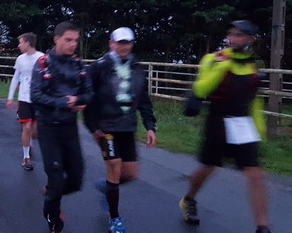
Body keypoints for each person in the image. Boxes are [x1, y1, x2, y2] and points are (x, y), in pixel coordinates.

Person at [179, 20, 272, 233]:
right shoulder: (213, 59)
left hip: (244, 123)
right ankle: (189, 199)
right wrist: (223, 64)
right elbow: (201, 88)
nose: (233, 38)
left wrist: (260, 130)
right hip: (218, 120)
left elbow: (254, 101)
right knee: (208, 168)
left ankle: (262, 226)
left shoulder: (253, 65)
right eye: (231, 34)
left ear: (250, 39)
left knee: (256, 174)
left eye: (239, 35)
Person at [83, 27, 157, 233]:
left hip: (128, 126)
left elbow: (144, 100)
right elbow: (88, 100)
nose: (124, 46)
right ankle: (115, 219)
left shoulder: (136, 68)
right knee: (114, 168)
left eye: (128, 42)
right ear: (111, 43)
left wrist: (150, 126)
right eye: (120, 42)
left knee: (130, 174)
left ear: (132, 44)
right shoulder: (98, 68)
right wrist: (93, 127)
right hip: (106, 126)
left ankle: (105, 187)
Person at [30, 21, 93, 233]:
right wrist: (64, 102)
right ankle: (54, 221)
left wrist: (78, 99)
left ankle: (51, 193)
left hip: (69, 128)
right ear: (56, 39)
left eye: (76, 40)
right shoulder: (43, 63)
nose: (73, 44)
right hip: (49, 128)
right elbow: (36, 95)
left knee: (76, 180)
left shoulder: (77, 64)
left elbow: (88, 92)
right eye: (68, 39)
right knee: (56, 177)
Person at [7, 32, 44, 171]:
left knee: (34, 133)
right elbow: (15, 78)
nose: (19, 45)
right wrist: (10, 97)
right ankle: (26, 157)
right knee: (26, 128)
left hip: (37, 99)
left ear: (28, 43)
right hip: (23, 99)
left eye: (21, 42)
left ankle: (30, 142)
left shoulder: (41, 57)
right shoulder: (20, 59)